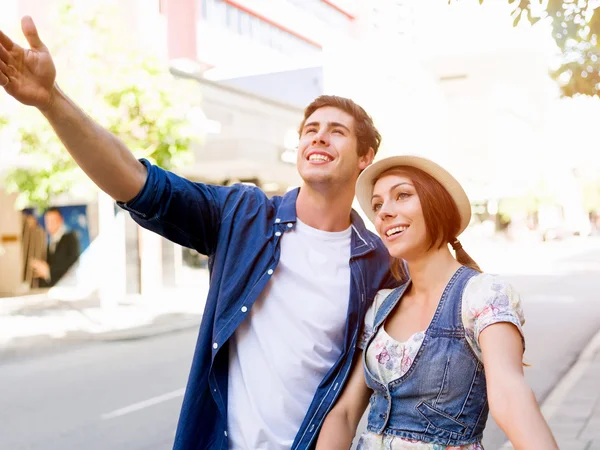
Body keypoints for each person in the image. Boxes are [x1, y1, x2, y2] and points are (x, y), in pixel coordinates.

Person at [0, 17, 395, 449]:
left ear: (365, 157)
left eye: (336, 132)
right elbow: (139, 184)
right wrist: (51, 101)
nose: (318, 139)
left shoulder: (377, 262)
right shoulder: (244, 215)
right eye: (310, 131)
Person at [316, 155, 559, 449]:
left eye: (402, 195)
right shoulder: (381, 305)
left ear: (436, 205)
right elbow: (344, 414)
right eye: (378, 205)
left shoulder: (482, 295)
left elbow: (510, 395)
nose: (383, 213)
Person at [29, 207, 80, 288]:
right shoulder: (49, 242)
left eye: (53, 220)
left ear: (61, 220)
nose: (50, 224)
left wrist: (48, 271)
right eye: (48, 221)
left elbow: (73, 264)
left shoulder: (70, 238)